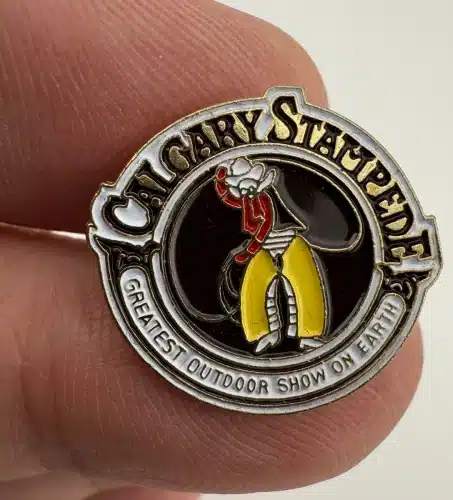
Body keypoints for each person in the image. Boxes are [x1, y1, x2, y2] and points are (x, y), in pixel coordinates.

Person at [0, 1, 423, 499]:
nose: (244, 190)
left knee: (302, 284)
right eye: (240, 187)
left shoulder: (287, 189)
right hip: (254, 248)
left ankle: (306, 334)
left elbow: (323, 223)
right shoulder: (239, 201)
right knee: (256, 288)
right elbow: (226, 203)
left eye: (248, 184)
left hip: (291, 242)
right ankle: (262, 335)